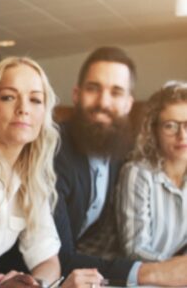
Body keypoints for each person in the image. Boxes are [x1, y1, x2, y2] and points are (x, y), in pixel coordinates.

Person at [54, 46, 187, 286]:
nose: (103, 102)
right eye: (94, 89)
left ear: (128, 103)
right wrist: (164, 272)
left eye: (115, 92)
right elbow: (56, 255)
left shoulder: (119, 152)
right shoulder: (54, 151)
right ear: (76, 94)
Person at [0, 57, 62, 287]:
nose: (23, 109)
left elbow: (48, 259)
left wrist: (33, 283)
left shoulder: (30, 178)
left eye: (35, 100)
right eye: (8, 97)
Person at [117, 81, 187, 261]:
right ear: (154, 130)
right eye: (170, 125)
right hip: (126, 276)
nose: (182, 135)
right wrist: (176, 270)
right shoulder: (137, 173)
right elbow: (135, 249)